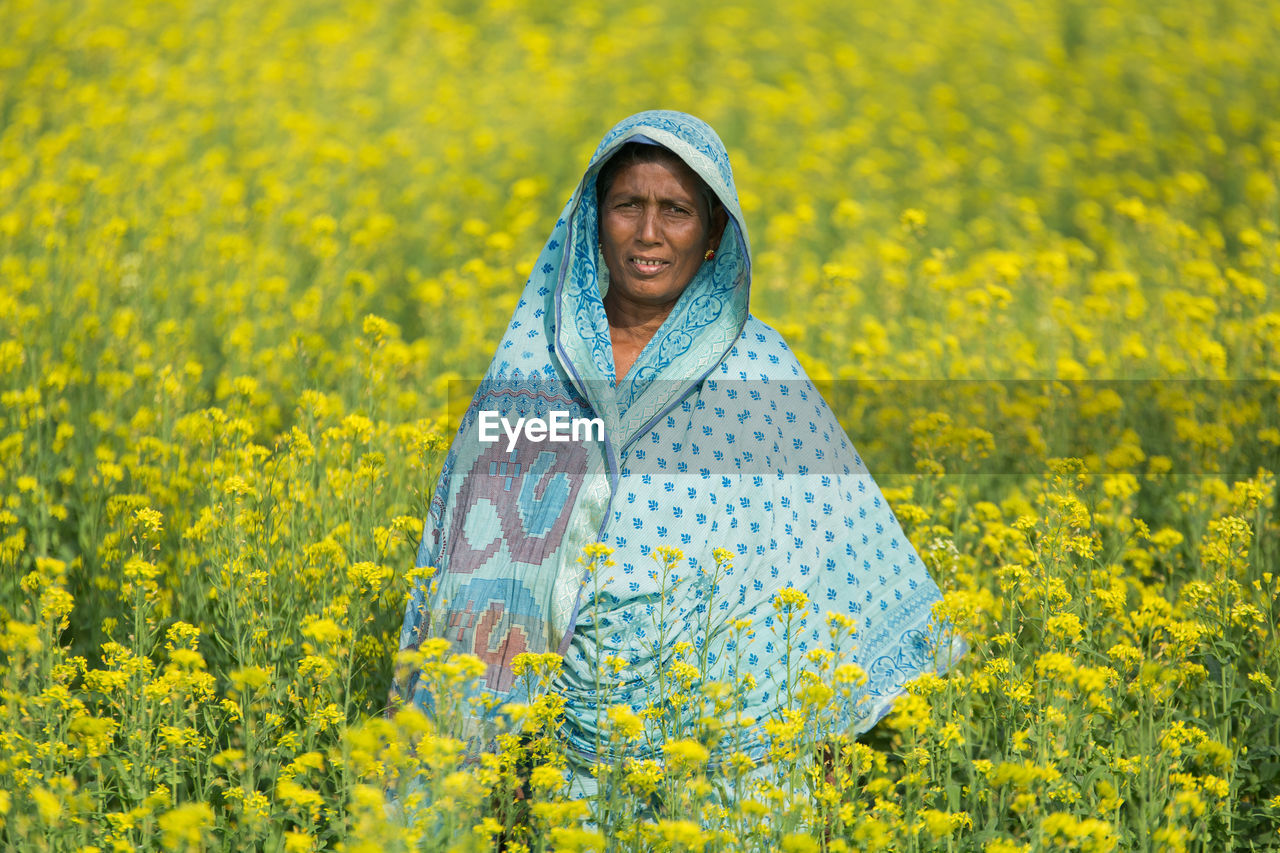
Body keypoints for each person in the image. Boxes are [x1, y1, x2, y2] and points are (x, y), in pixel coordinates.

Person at [391, 110, 964, 793]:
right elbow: (473, 570)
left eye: (678, 210)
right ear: (592, 220)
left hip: (720, 759)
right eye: (627, 205)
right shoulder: (538, 364)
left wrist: (821, 740)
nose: (649, 233)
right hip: (552, 765)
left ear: (716, 230)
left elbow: (825, 567)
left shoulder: (760, 370)